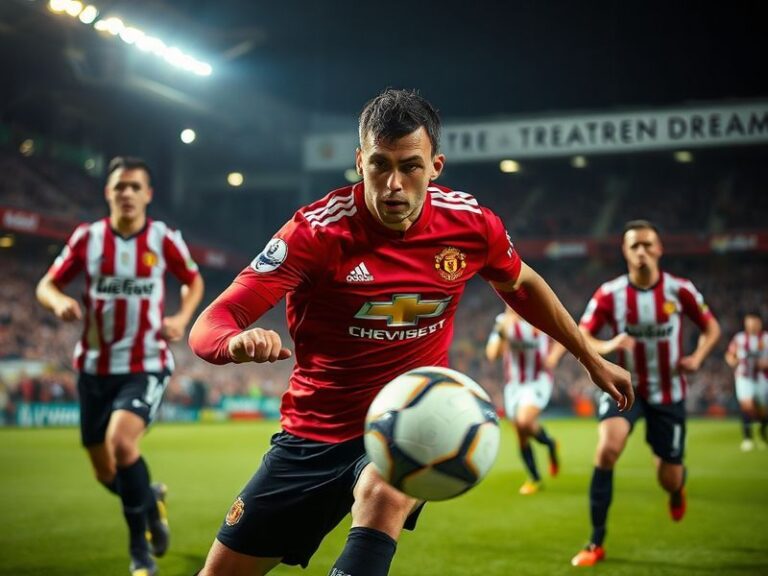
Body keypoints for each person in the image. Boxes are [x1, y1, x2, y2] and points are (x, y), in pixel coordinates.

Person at [188, 88, 633, 576]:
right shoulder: (315, 234)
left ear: (435, 166)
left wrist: (589, 357)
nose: (393, 184)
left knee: (384, 489)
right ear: (359, 161)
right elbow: (210, 323)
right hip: (312, 435)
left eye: (410, 166)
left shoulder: (470, 225)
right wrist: (233, 342)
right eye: (379, 165)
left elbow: (522, 284)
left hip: (411, 422)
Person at [36, 156, 204, 576]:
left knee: (122, 445)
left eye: (134, 187)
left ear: (148, 194)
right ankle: (151, 499)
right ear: (107, 193)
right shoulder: (87, 239)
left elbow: (193, 279)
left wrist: (181, 319)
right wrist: (59, 302)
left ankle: (139, 552)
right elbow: (47, 283)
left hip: (145, 362)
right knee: (103, 471)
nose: (126, 193)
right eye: (119, 187)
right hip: (94, 367)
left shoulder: (163, 239)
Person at [565, 220, 720, 567]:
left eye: (648, 245)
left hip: (669, 392)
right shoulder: (610, 294)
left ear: (659, 249)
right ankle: (595, 542)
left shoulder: (680, 291)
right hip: (625, 387)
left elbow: (711, 327)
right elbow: (582, 334)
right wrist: (610, 344)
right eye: (634, 246)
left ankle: (677, 487)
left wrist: (697, 357)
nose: (641, 251)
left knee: (669, 478)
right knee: (607, 449)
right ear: (625, 252)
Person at [485, 306, 561, 495]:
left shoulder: (541, 315)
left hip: (538, 380)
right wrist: (503, 332)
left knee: (524, 421)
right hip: (514, 386)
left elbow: (564, 336)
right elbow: (492, 355)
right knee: (521, 431)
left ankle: (543, 458)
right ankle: (540, 466)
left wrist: (553, 356)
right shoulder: (502, 322)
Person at [725, 312, 768, 451]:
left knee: (762, 410)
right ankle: (748, 438)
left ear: (760, 322)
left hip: (762, 377)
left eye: (754, 321)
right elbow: (730, 355)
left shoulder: (766, 339)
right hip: (743, 377)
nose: (751, 324)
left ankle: (762, 431)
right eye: (748, 321)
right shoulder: (740, 338)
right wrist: (733, 361)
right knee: (747, 405)